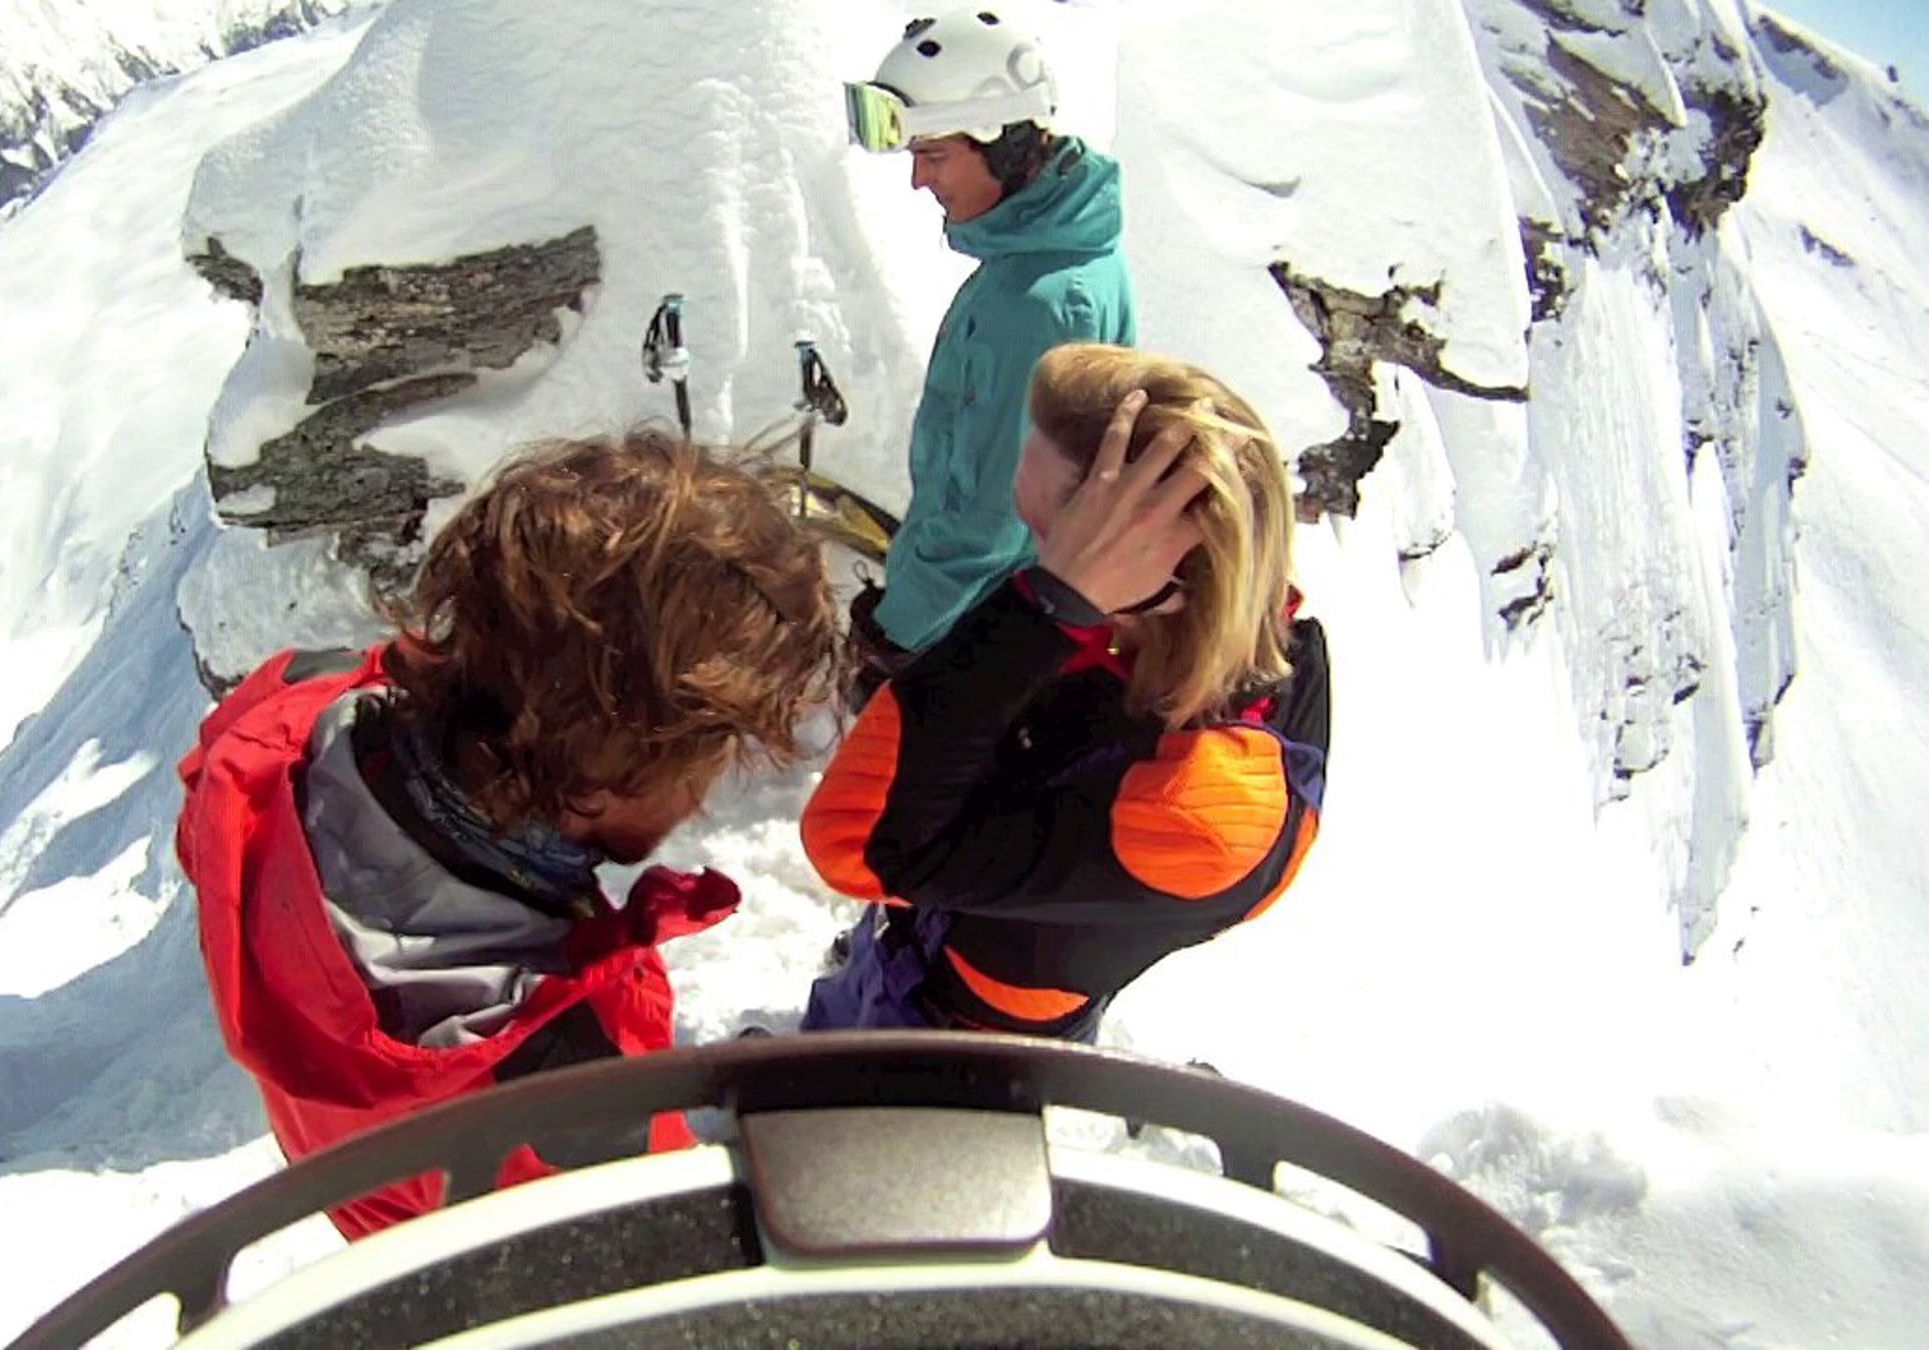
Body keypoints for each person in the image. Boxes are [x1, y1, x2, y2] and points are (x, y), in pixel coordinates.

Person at [176, 430, 840, 1237]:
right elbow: (663, 1275)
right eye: (715, 751)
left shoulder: (279, 731)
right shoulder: (575, 1109)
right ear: (610, 767)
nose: (709, 790)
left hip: (377, 1202)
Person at [799, 344, 1331, 1042]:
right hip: (931, 922)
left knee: (846, 1089)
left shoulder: (1201, 812)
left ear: (1164, 563)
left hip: (970, 1027)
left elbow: (855, 843)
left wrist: (1051, 604)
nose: (1039, 561)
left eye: (1063, 540)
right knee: (846, 1000)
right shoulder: (1223, 624)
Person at [841, 7, 1137, 706]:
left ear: (1002, 147)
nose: (919, 180)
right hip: (996, 616)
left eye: (934, 155)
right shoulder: (1045, 259)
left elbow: (995, 514)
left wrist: (895, 633)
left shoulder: (1039, 304)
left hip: (976, 636)